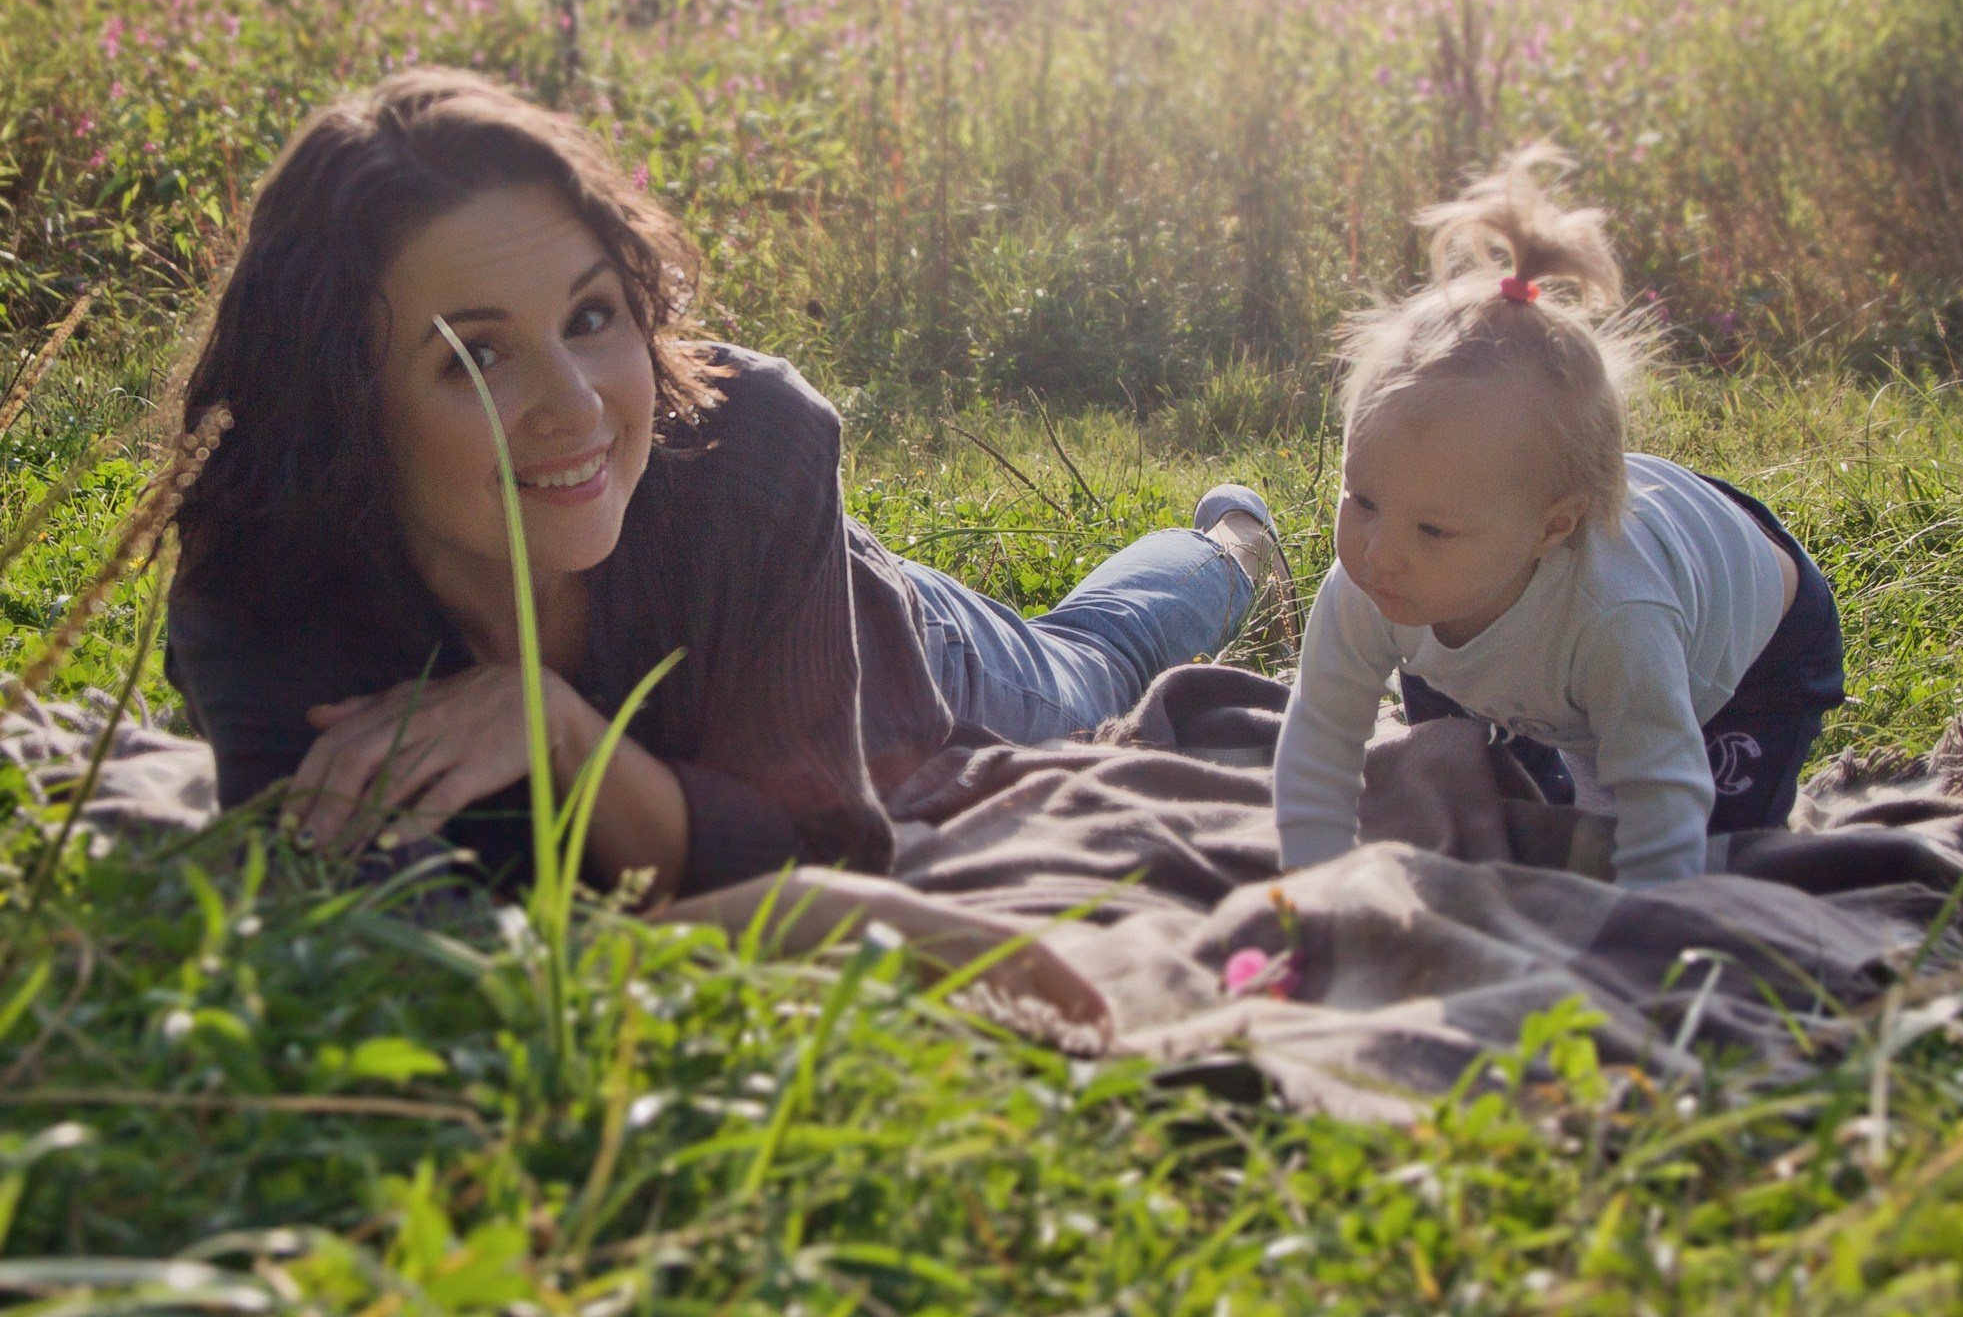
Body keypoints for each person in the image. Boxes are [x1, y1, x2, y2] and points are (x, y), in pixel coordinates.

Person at [167, 67, 1289, 903]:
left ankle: (1229, 545)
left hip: (883, 644)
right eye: (479, 355)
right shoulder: (261, 564)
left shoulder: (758, 440)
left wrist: (560, 737)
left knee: (1089, 663)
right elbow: (357, 897)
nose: (578, 404)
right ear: (339, 399)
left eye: (592, 316)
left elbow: (822, 853)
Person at [1273, 147, 1844, 885]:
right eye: (1363, 499)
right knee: (1476, 788)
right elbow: (1320, 736)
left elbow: (1662, 798)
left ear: (1551, 527)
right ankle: (1540, 759)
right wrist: (1311, 886)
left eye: (1432, 529)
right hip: (1518, 605)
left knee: (1719, 858)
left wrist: (1630, 944)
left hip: (1757, 652)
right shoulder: (1376, 584)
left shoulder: (1617, 621)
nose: (1379, 551)